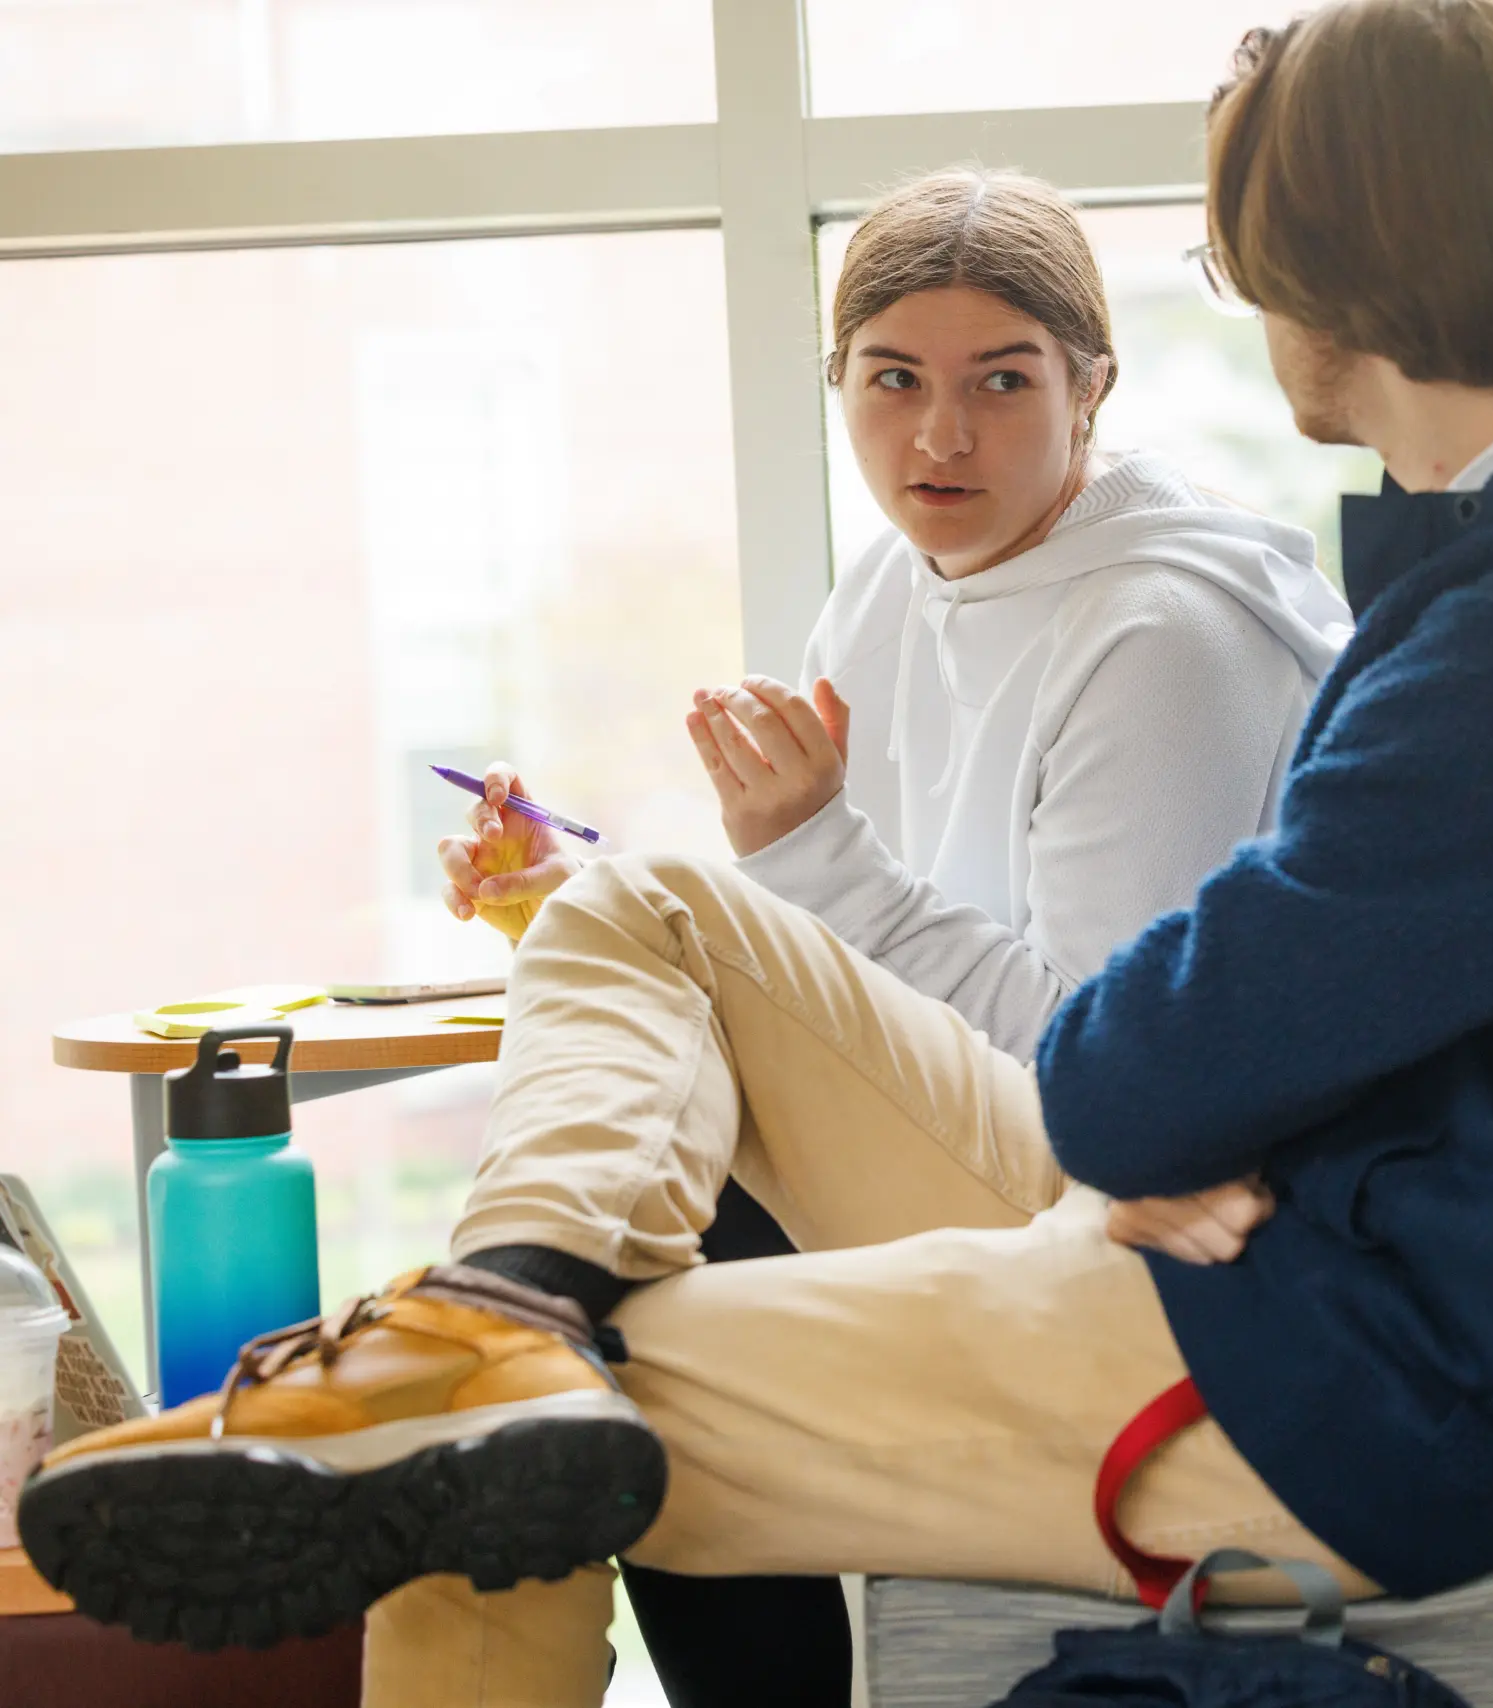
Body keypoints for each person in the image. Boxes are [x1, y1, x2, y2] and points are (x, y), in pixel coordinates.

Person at [19, 4, 1493, 1705]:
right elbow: (1228, 1053)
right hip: (1297, 1262)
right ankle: (499, 1302)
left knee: (468, 1468)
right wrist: (1189, 1115)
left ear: (1329, 274)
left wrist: (1182, 1118)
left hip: (1350, 1394)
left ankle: (473, 1356)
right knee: (651, 902)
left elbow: (1130, 1067)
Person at [433, 165, 1352, 1700]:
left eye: (1004, 382)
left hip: (1150, 1208)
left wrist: (803, 858)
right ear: (841, 387)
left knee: (605, 1301)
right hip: (983, 1153)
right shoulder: (884, 593)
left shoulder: (1164, 634)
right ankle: (495, 1335)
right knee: (591, 1358)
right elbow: (860, 970)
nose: (942, 436)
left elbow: (1108, 1060)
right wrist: (584, 892)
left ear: (1093, 388)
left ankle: (487, 1315)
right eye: (894, 381)